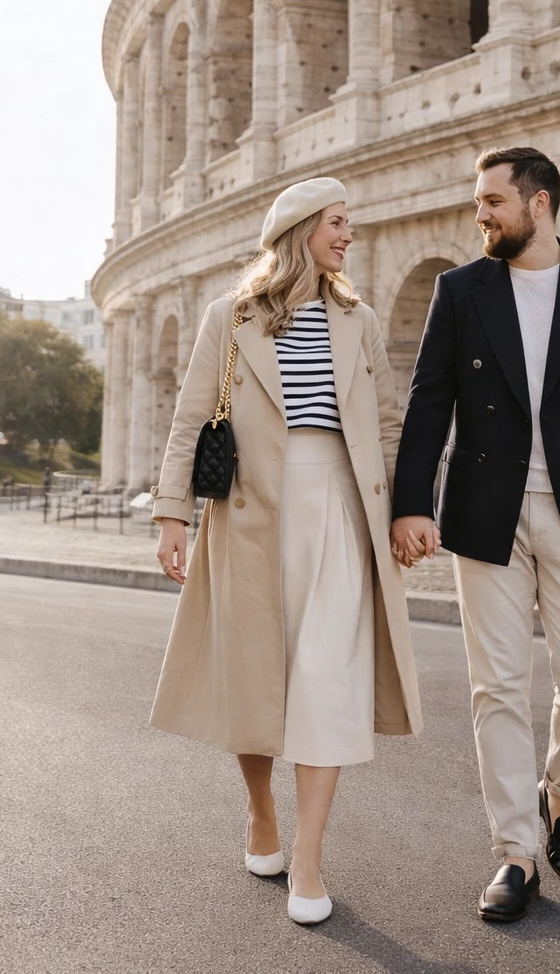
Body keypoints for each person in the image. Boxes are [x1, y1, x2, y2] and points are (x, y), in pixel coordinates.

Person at [391, 146, 560, 924]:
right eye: (479, 202)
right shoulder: (461, 290)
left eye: (492, 203)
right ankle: (515, 853)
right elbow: (428, 401)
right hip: (486, 511)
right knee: (498, 687)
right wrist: (413, 503)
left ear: (538, 204)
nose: (480, 215)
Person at [151, 177, 422, 927]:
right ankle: (260, 813)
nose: (349, 235)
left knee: (328, 678)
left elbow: (391, 424)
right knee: (254, 676)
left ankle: (308, 854)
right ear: (302, 229)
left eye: (351, 222)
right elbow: (189, 418)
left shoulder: (358, 319)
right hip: (247, 513)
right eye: (339, 222)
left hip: (340, 505)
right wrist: (173, 514)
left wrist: (406, 512)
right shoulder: (228, 317)